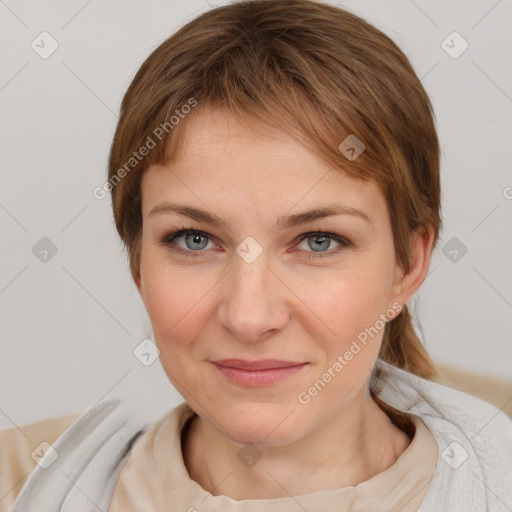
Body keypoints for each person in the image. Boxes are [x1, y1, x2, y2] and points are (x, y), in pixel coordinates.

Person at [4, 0, 512, 511]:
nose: (248, 317)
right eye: (193, 239)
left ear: (407, 265)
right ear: (138, 262)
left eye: (319, 241)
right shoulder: (19, 483)